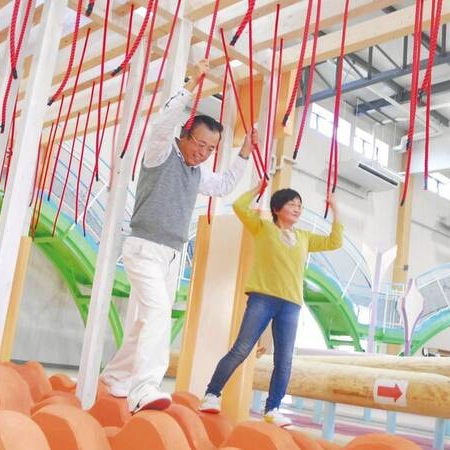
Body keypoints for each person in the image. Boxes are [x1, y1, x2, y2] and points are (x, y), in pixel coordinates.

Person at [100, 60, 257, 413]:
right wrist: (191, 82)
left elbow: (225, 185)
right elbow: (162, 124)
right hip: (143, 247)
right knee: (157, 312)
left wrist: (244, 152)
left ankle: (115, 376)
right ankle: (144, 388)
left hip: (171, 255)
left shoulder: (197, 173)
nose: (203, 152)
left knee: (148, 320)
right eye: (199, 143)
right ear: (185, 135)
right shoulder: (161, 153)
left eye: (210, 149)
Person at [199, 181, 343, 427]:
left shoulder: (304, 237)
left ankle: (273, 408)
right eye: (292, 204)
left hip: (291, 305)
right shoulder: (263, 227)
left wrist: (335, 208)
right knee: (241, 349)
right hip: (262, 298)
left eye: (300, 206)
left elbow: (335, 241)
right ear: (277, 208)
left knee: (284, 360)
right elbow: (239, 206)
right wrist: (258, 189)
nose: (297, 209)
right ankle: (212, 394)